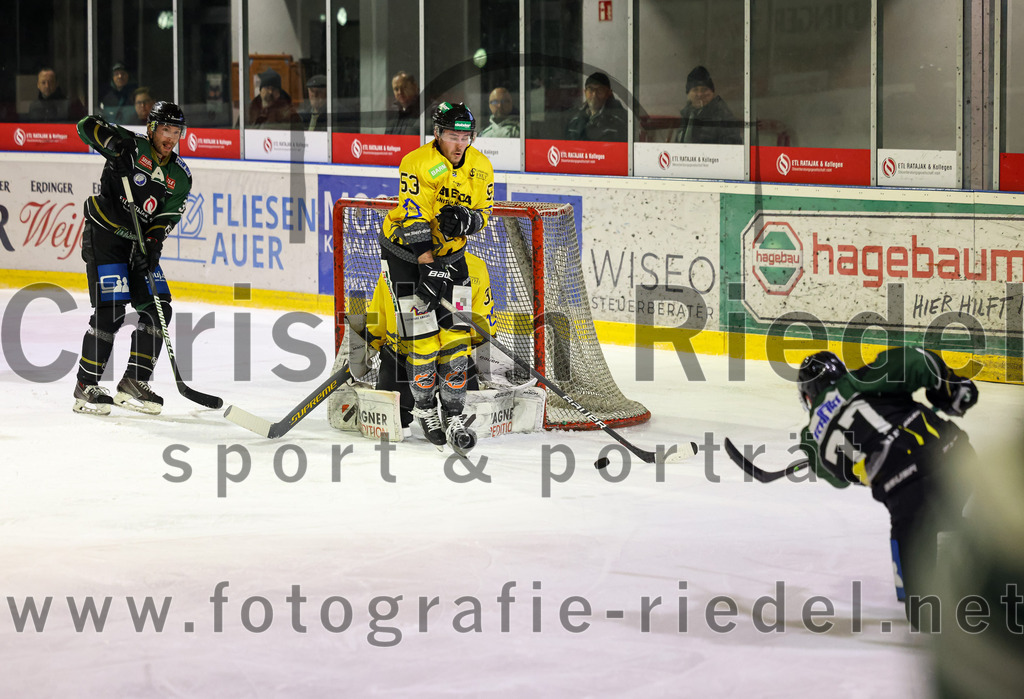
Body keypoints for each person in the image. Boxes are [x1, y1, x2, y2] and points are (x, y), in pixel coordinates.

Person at [796, 347, 979, 629]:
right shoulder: (858, 380)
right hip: (956, 456)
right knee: (951, 516)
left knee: (921, 609)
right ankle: (994, 545)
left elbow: (838, 479)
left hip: (906, 491)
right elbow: (917, 360)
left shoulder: (811, 439)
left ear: (808, 396)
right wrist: (948, 389)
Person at [376, 101, 495, 453]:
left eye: (466, 136)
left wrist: (466, 219)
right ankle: (427, 410)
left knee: (456, 335)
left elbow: (484, 213)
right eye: (452, 135)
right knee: (423, 336)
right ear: (437, 134)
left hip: (450, 254)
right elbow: (413, 220)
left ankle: (454, 412)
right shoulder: (417, 163)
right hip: (406, 255)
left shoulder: (481, 166)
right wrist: (429, 268)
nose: (460, 143)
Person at [71, 102, 193, 416]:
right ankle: (86, 386)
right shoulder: (131, 144)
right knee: (111, 310)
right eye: (166, 129)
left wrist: (152, 244)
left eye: (176, 131)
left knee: (158, 307)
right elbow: (85, 126)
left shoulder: (179, 176)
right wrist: (113, 145)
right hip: (106, 235)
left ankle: (134, 381)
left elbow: (165, 218)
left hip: (138, 244)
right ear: (152, 128)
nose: (171, 137)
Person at [348, 252, 496, 434]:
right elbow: (381, 306)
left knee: (467, 425)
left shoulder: (473, 267)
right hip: (406, 360)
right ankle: (425, 408)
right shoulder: (398, 264)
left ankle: (444, 410)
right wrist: (369, 341)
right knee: (390, 426)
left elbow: (482, 324)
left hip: (431, 360)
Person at [674, 65, 741, 145]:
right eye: (695, 90)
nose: (699, 94)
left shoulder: (723, 115)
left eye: (704, 89)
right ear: (688, 94)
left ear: (713, 93)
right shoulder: (686, 115)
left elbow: (732, 146)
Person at [564, 72, 627, 142]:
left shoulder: (621, 119)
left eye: (600, 90)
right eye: (590, 89)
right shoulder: (574, 117)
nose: (594, 95)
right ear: (585, 92)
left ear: (609, 93)